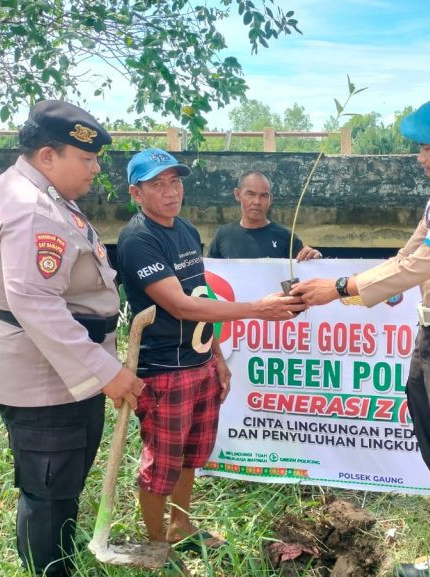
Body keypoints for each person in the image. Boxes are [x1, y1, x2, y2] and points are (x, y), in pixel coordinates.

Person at [293, 92, 430, 577]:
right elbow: (405, 259)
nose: (420, 156)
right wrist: (368, 290)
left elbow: (422, 263)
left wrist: (343, 288)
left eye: (427, 146)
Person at [0, 100, 143, 576]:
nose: (94, 169)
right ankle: (50, 570)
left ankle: (58, 559)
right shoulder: (32, 210)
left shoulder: (38, 195)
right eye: (85, 159)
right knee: (49, 490)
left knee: (60, 484)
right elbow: (36, 303)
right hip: (43, 376)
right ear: (48, 156)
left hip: (57, 368)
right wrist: (109, 373)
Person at [114, 149, 306, 550]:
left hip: (199, 362)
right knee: (160, 466)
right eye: (157, 184)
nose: (170, 192)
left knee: (190, 457)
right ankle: (154, 546)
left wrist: (216, 356)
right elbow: (179, 305)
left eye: (175, 181)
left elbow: (199, 294)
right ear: (137, 192)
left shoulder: (184, 230)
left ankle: (180, 527)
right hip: (164, 368)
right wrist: (257, 309)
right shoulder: (137, 240)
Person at [207, 169, 322, 260]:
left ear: (270, 199)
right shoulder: (223, 234)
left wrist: (314, 257)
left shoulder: (286, 237)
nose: (257, 201)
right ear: (237, 194)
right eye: (250, 194)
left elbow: (304, 275)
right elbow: (211, 278)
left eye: (263, 196)